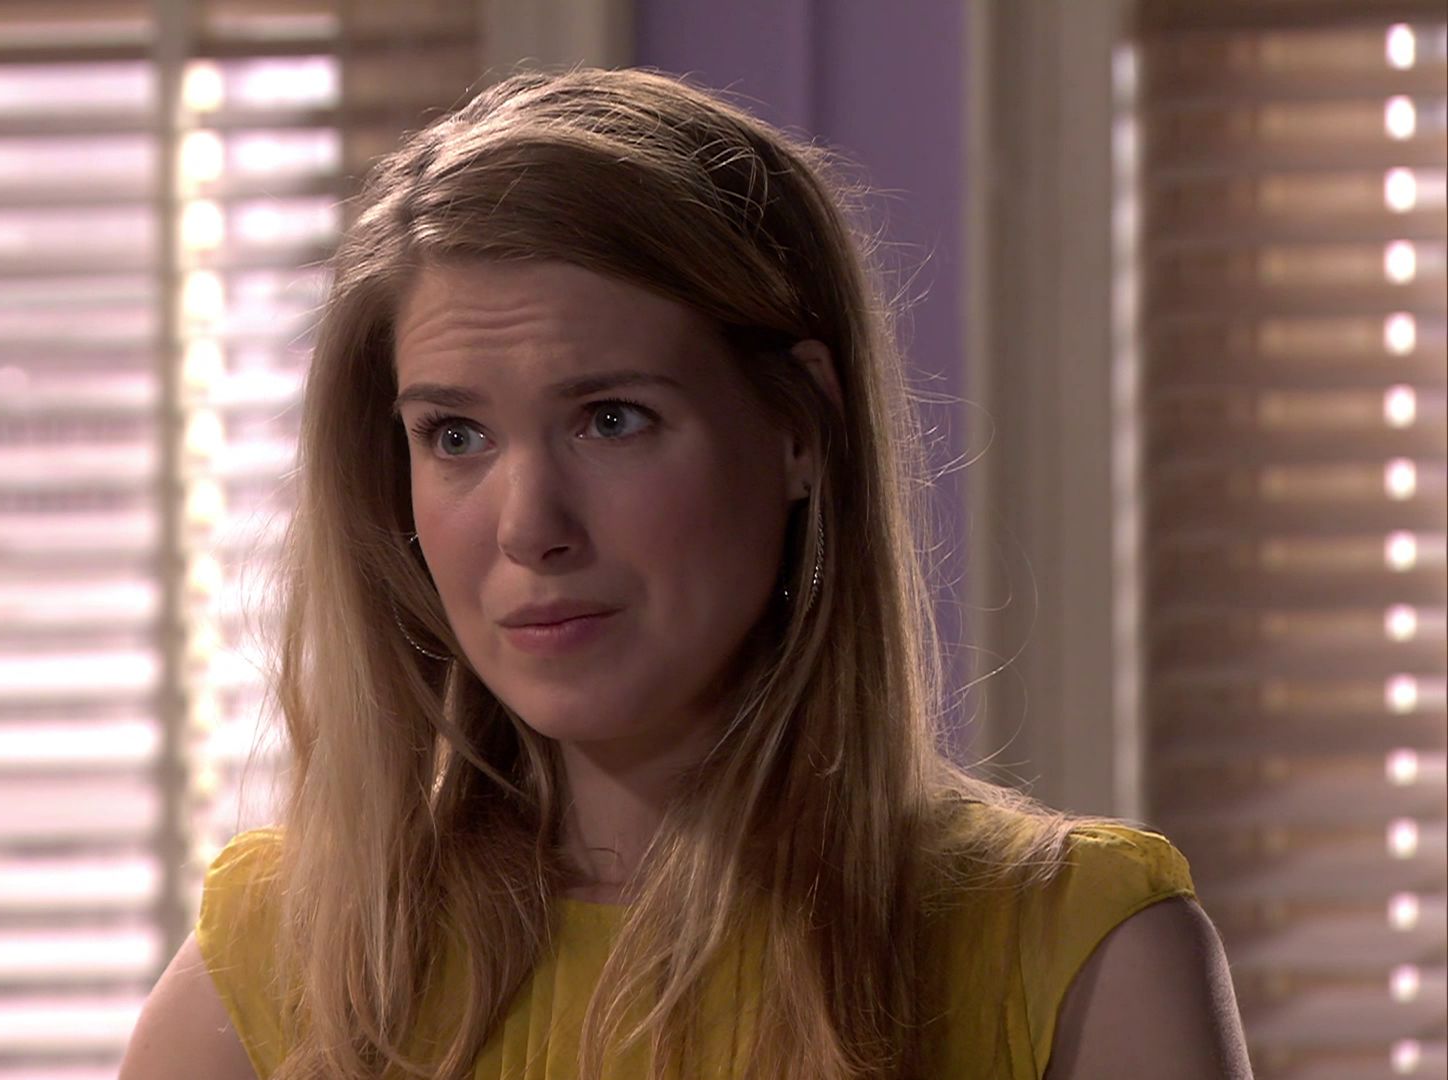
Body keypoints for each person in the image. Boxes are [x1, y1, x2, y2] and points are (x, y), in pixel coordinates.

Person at [120, 67, 1252, 1080]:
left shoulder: (1077, 958)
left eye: (611, 419)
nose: (530, 527)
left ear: (799, 427)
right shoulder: (274, 975)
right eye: (455, 437)